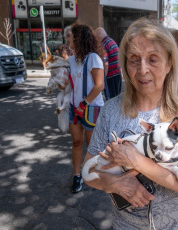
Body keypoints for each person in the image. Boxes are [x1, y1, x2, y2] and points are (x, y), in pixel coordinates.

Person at [83, 18, 178, 229]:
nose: (142, 69)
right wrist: (113, 183)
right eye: (134, 59)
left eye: (153, 59)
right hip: (127, 225)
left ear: (169, 64)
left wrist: (137, 161)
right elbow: (88, 171)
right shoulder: (111, 110)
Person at [67, 23, 106, 194]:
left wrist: (83, 104)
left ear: (79, 39)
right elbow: (67, 85)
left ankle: (92, 173)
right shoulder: (70, 60)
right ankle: (77, 176)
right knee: (77, 142)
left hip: (91, 108)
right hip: (73, 108)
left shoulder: (93, 58)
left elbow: (99, 85)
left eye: (71, 37)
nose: (69, 40)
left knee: (92, 145)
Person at [95, 27, 122, 98]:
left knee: (111, 99)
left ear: (98, 37)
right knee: (117, 99)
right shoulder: (111, 41)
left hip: (110, 76)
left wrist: (103, 79)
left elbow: (105, 64)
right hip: (117, 74)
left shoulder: (103, 45)